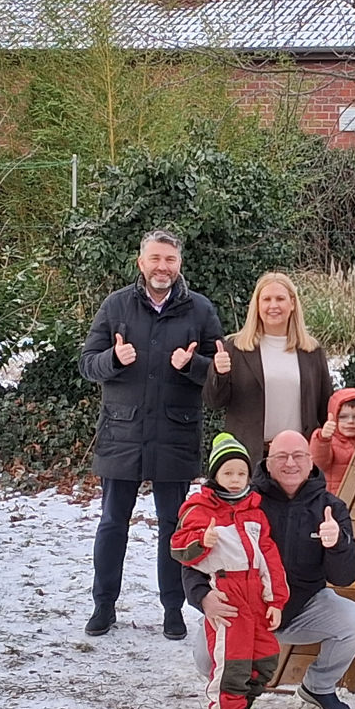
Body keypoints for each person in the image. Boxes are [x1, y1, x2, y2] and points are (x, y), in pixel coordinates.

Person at [78, 229, 223, 640]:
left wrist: (192, 366)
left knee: (174, 526)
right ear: (141, 262)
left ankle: (173, 608)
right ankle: (103, 605)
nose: (163, 267)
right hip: (121, 431)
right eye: (155, 259)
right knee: (112, 523)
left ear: (180, 265)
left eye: (170, 260)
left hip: (176, 433)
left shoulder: (200, 310)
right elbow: (87, 364)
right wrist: (113, 359)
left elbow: (221, 372)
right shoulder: (116, 306)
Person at [185, 429, 355, 709]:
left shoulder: (330, 508)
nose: (290, 463)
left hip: (302, 606)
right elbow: (194, 557)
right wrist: (203, 597)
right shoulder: (239, 500)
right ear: (267, 463)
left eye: (298, 456)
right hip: (243, 605)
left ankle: (318, 687)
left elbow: (345, 578)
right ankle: (236, 700)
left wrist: (337, 544)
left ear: (311, 462)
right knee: (204, 655)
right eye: (281, 456)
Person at [171, 433, 288, 709]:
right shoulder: (200, 509)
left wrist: (276, 599)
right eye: (228, 473)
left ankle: (243, 708)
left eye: (241, 473)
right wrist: (201, 542)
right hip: (227, 592)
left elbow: (270, 557)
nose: (236, 480)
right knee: (232, 661)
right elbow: (178, 547)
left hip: (255, 594)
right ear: (215, 475)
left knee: (264, 657)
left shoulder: (255, 511)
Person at [205, 273, 334, 460]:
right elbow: (214, 402)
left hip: (297, 458)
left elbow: (325, 406)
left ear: (292, 304)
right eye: (266, 299)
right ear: (257, 305)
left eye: (280, 299)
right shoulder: (236, 347)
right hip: (249, 457)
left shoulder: (311, 351)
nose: (273, 305)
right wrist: (219, 373)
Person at [310, 387, 355, 496]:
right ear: (334, 417)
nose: (350, 421)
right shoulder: (329, 440)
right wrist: (323, 439)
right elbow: (319, 463)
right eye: (343, 417)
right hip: (334, 498)